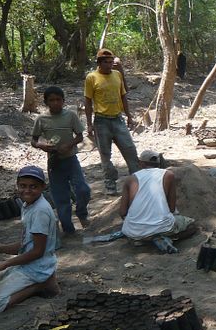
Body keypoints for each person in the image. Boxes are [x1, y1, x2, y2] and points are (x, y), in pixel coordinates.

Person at [0, 166, 59, 314]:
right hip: (30, 264)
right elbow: (26, 244)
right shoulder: (28, 205)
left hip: (36, 267)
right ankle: (43, 280)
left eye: (33, 187)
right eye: (23, 186)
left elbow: (37, 251)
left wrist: (5, 263)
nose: (27, 191)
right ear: (17, 185)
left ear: (43, 187)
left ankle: (40, 285)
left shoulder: (40, 211)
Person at [31, 86, 91, 234]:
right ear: (46, 102)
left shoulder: (70, 116)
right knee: (61, 198)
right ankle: (68, 229)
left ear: (63, 101)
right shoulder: (41, 119)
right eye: (52, 100)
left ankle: (81, 213)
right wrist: (41, 145)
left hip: (71, 159)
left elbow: (80, 136)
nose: (56, 103)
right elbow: (33, 140)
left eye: (59, 100)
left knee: (83, 189)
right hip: (54, 163)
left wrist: (69, 145)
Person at [84, 48, 139, 195]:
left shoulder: (117, 75)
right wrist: (89, 124)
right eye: (106, 62)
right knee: (105, 155)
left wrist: (129, 116)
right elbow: (88, 102)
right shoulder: (91, 78)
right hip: (101, 121)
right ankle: (110, 186)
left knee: (130, 150)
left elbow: (123, 96)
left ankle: (138, 181)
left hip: (118, 119)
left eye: (111, 62)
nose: (110, 65)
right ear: (99, 63)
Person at [119, 150, 196, 251]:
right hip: (162, 226)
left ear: (141, 163)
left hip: (132, 230)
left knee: (139, 231)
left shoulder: (130, 179)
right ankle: (163, 238)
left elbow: (122, 212)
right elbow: (172, 209)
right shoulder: (168, 175)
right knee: (192, 226)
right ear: (158, 163)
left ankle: (141, 240)